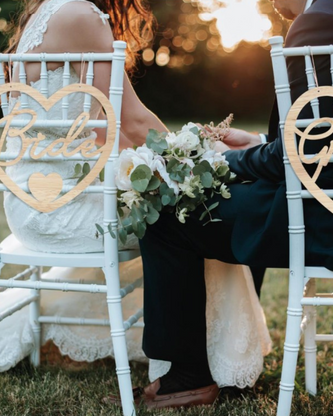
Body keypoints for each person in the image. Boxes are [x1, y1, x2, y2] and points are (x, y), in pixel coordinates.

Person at [138, 0, 333, 410]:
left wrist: (219, 160)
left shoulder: (318, 22)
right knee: (242, 198)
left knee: (167, 215)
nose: (267, 2)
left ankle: (186, 377)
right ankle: (234, 361)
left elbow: (292, 161)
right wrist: (256, 145)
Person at [0, 0, 272, 393]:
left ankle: (200, 357)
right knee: (196, 214)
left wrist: (164, 160)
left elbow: (101, 130)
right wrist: (191, 155)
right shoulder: (81, 16)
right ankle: (210, 365)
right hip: (65, 204)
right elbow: (134, 120)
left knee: (182, 200)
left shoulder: (47, 14)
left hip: (32, 203)